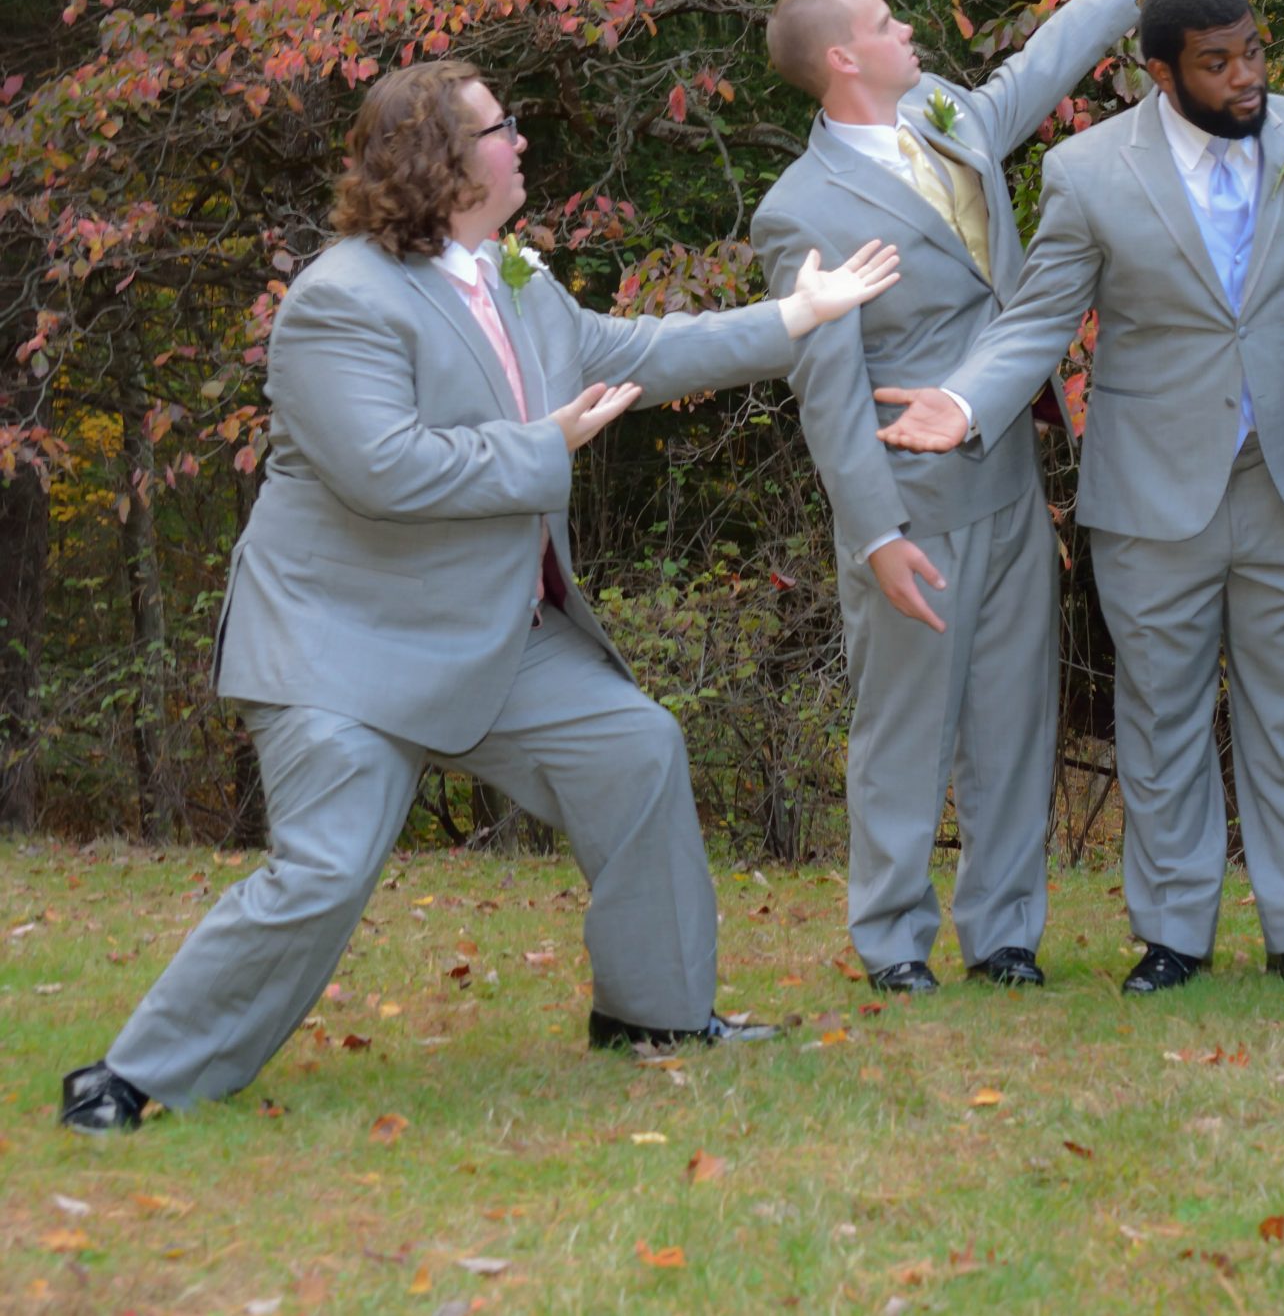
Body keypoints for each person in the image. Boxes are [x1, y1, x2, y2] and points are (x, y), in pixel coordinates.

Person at [60, 61, 899, 1132]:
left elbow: (634, 351)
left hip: (498, 634)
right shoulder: (339, 299)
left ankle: (657, 1016)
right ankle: (132, 1078)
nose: (523, 145)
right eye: (505, 129)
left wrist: (796, 314)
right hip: (344, 646)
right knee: (322, 871)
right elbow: (387, 469)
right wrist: (543, 447)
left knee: (637, 749)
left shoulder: (514, 279)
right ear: (445, 161)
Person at [872, 0, 1284, 995]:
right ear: (1159, 72)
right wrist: (968, 401)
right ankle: (1172, 933)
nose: (1245, 75)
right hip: (1148, 496)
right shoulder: (1086, 171)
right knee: (1160, 724)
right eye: (1217, 62)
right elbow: (1036, 319)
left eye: (1253, 51)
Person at [750, 0, 1212, 995]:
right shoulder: (798, 211)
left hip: (1011, 475)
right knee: (905, 731)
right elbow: (826, 393)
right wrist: (874, 538)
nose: (907, 28)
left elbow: (1036, 73)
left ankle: (1003, 934)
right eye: (884, 22)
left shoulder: (947, 116)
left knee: (1014, 720)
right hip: (910, 504)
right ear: (842, 63)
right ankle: (892, 943)